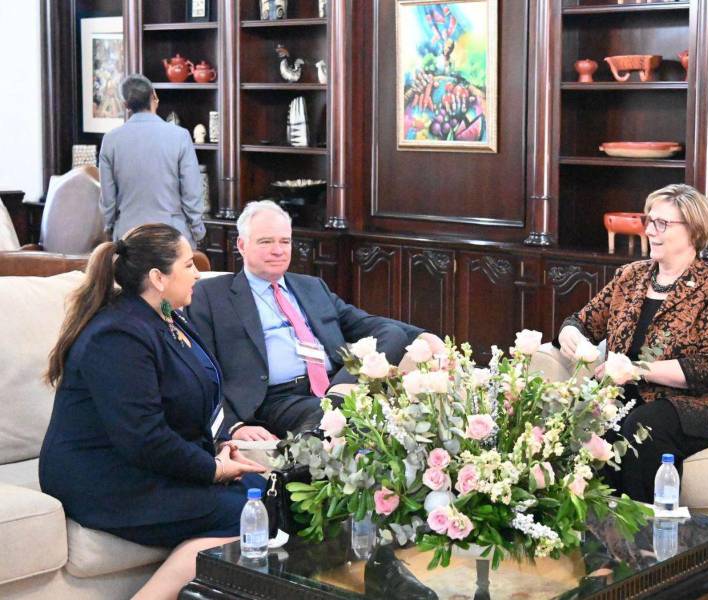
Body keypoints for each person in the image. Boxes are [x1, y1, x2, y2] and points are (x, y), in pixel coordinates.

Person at [39, 224, 266, 600]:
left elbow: (189, 402)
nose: (198, 273)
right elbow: (143, 436)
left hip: (146, 465)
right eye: (188, 264)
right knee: (245, 510)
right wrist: (212, 470)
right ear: (158, 278)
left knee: (266, 493)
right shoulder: (118, 335)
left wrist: (219, 447)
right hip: (103, 480)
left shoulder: (166, 317)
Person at [556, 184, 708, 503]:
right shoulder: (630, 277)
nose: (650, 230)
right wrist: (572, 336)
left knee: (644, 424)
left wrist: (636, 369)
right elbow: (581, 322)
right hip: (637, 400)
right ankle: (595, 528)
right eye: (649, 221)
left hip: (707, 404)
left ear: (693, 231)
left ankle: (647, 531)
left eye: (662, 223)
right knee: (589, 414)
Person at [186, 200, 445, 441]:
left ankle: (335, 407)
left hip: (336, 384)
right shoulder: (211, 295)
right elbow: (199, 371)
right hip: (277, 398)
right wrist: (233, 425)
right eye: (266, 242)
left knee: (393, 334)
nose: (278, 251)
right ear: (242, 245)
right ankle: (329, 421)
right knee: (351, 418)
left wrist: (423, 336)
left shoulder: (311, 287)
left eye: (285, 241)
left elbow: (368, 323)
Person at [98, 74, 206, 248]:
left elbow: (107, 199)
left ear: (126, 106)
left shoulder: (110, 140)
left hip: (128, 235)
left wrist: (109, 228)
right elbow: (191, 191)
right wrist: (197, 230)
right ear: (153, 95)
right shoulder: (179, 136)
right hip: (172, 235)